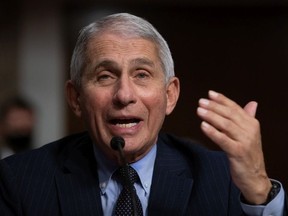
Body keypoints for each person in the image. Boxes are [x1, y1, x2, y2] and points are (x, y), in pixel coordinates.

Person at [0, 13, 286, 216]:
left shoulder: (223, 179)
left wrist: (259, 189)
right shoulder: (18, 181)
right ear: (76, 98)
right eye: (105, 76)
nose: (125, 95)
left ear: (170, 95)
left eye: (142, 74)